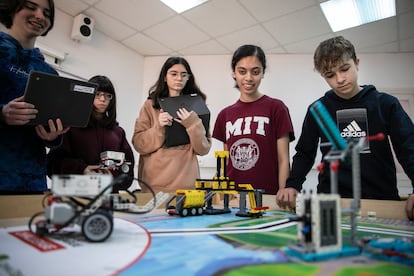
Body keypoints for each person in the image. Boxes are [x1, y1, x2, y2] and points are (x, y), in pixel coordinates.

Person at [276, 36, 414, 220]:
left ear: (357, 63)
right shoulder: (318, 109)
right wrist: (292, 185)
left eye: (344, 69)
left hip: (381, 200)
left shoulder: (385, 103)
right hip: (330, 202)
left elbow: (408, 147)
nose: (340, 79)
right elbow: (304, 153)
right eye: (330, 75)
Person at [0, 0, 69, 193]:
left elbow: (49, 134)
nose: (39, 16)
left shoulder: (49, 74)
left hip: (32, 180)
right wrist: (2, 113)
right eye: (31, 7)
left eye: (47, 13)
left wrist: (52, 137)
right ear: (11, 8)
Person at [212, 44, 295, 196]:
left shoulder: (276, 108)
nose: (248, 78)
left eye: (255, 72)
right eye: (242, 71)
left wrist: (283, 192)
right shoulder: (225, 115)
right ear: (233, 73)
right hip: (233, 197)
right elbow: (227, 160)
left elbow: (283, 159)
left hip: (268, 195)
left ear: (263, 73)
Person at [132, 56, 211, 193]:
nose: (179, 78)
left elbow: (203, 149)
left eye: (183, 74)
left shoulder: (197, 106)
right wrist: (159, 127)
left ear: (188, 78)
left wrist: (192, 124)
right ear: (164, 77)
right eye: (174, 74)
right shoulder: (150, 106)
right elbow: (139, 144)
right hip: (154, 185)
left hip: (186, 185)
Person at [47, 75, 135, 193]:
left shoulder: (118, 132)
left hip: (108, 196)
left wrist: (112, 178)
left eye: (107, 95)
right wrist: (82, 170)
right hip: (75, 194)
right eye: (97, 94)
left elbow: (127, 169)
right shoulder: (71, 127)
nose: (103, 99)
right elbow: (54, 163)